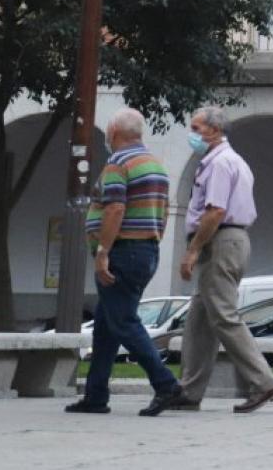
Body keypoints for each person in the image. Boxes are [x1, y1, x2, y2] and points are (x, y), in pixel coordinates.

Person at [153, 106, 273, 415]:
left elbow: (215, 211)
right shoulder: (226, 161)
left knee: (223, 315)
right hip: (228, 240)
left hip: (220, 240)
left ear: (213, 131)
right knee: (199, 321)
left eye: (196, 128)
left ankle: (264, 382)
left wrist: (194, 249)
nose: (192, 134)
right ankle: (189, 390)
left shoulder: (221, 164)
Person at [66, 108, 187, 415]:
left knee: (123, 321)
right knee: (106, 325)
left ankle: (166, 385)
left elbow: (114, 209)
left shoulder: (119, 163)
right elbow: (161, 213)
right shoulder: (155, 166)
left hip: (122, 251)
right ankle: (95, 395)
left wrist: (104, 251)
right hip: (145, 250)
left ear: (114, 132)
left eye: (107, 132)